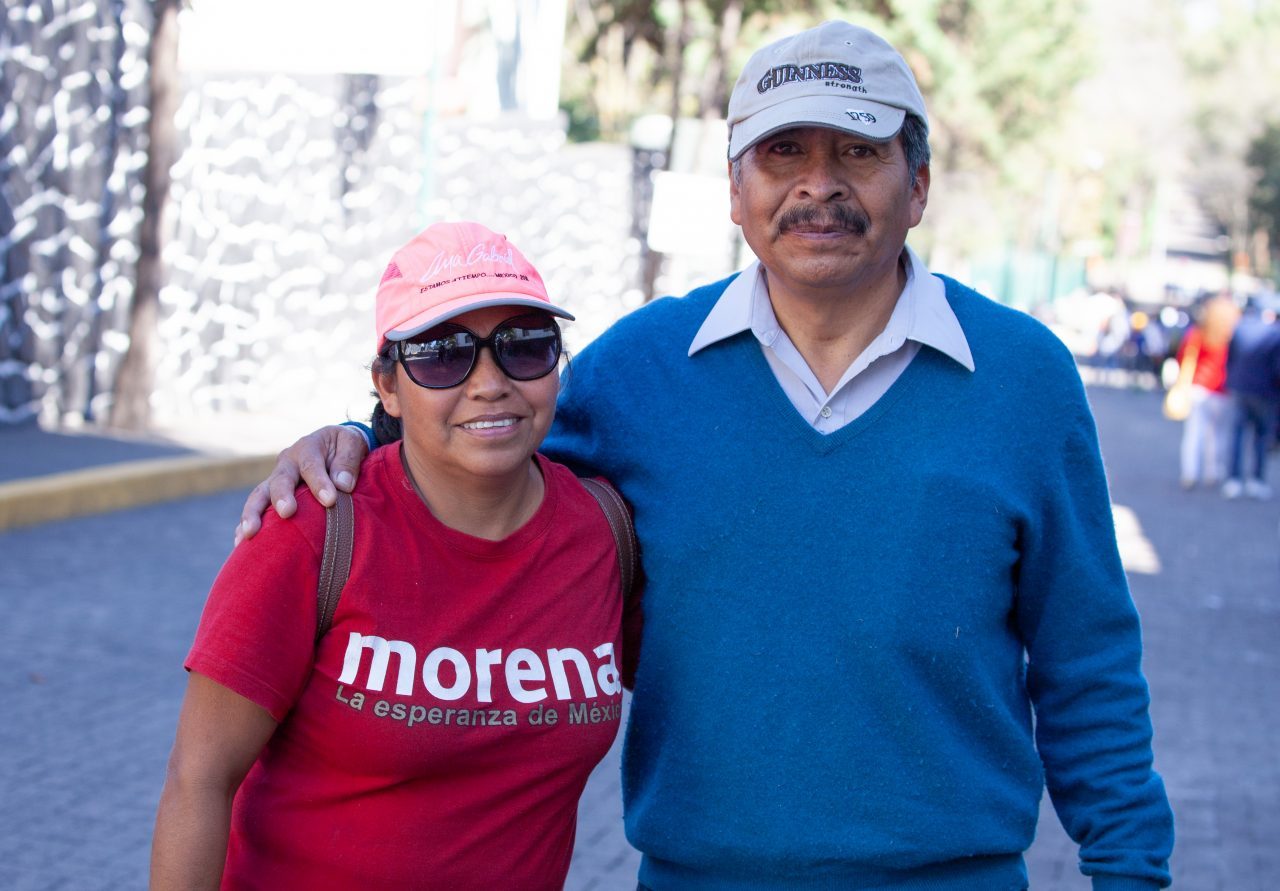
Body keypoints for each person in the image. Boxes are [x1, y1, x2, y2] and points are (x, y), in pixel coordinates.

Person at [237, 21, 1174, 890]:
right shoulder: (642, 368)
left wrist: (1131, 869)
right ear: (737, 191)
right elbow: (482, 440)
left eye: (858, 151)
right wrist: (362, 437)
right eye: (784, 153)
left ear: (917, 184)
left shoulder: (1024, 378)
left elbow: (1085, 655)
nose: (819, 184)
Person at [153, 222, 636, 889]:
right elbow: (197, 778)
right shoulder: (313, 529)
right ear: (387, 384)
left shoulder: (606, 534)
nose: (490, 382)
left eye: (524, 347)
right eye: (444, 355)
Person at [1173, 294, 1238, 489]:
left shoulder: (1198, 333)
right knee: (1217, 433)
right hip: (1222, 388)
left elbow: (1182, 355)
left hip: (1199, 387)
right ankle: (1213, 471)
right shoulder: (1231, 336)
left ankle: (1190, 472)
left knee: (1195, 432)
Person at [1220, 302, 1280, 500]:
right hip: (1265, 393)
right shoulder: (1275, 333)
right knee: (1261, 438)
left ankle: (1234, 479)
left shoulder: (1241, 328)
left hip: (1240, 389)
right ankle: (1257, 480)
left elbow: (1230, 359)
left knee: (1237, 435)